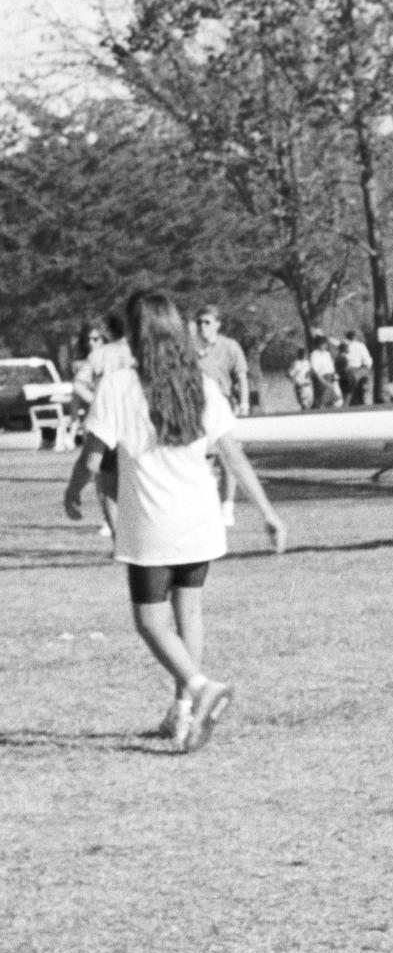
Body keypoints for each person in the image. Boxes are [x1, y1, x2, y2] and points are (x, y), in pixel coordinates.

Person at [60, 290, 286, 752]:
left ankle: (200, 687)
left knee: (149, 621)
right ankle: (184, 715)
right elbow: (234, 456)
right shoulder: (200, 384)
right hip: (201, 519)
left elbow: (92, 456)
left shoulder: (120, 386)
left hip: (152, 522)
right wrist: (268, 514)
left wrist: (73, 489)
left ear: (137, 336)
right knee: (190, 613)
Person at [193, 304, 253, 525]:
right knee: (200, 460)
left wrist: (245, 405)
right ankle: (203, 506)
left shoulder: (230, 346)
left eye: (207, 322)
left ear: (217, 324)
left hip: (224, 406)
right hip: (197, 409)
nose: (202, 326)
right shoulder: (189, 348)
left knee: (229, 457)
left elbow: (241, 377)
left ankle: (227, 507)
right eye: (199, 322)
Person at [69, 315, 126, 540]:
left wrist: (96, 400)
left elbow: (78, 385)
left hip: (106, 423)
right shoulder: (138, 350)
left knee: (104, 477)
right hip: (132, 421)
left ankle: (118, 537)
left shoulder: (99, 355)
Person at [338, 330, 373, 405]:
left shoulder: (344, 345)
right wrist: (367, 368)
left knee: (349, 392)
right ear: (355, 337)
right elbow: (367, 360)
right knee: (363, 388)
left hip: (346, 370)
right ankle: (364, 402)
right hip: (357, 370)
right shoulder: (360, 345)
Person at [308, 334, 339, 408]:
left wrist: (335, 375)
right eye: (323, 344)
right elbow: (315, 371)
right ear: (318, 345)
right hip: (321, 379)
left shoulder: (327, 354)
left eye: (326, 344)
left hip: (330, 378)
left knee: (332, 401)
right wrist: (324, 382)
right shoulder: (314, 354)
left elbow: (331, 367)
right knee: (321, 401)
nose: (325, 346)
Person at [286, 341, 315, 412]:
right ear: (298, 355)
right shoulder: (296, 363)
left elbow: (309, 371)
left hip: (308, 385)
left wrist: (309, 375)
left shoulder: (307, 362)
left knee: (309, 404)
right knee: (304, 404)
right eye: (301, 354)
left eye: (304, 354)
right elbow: (288, 374)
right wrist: (295, 382)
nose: (303, 355)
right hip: (300, 386)